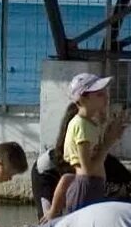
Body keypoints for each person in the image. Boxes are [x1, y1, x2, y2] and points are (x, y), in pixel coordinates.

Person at [42, 72, 121, 216]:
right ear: (83, 98)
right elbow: (88, 168)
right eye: (99, 94)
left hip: (92, 185)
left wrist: (109, 131)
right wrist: (108, 142)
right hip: (87, 186)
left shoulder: (88, 124)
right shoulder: (81, 125)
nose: (106, 96)